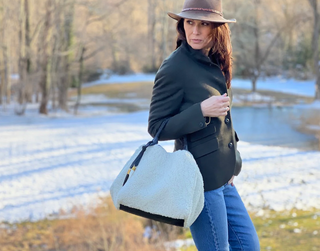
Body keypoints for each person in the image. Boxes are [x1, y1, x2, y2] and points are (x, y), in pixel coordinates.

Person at [147, 0, 260, 250]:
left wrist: (233, 162)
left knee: (249, 246)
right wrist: (200, 111)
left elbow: (224, 121)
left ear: (216, 29)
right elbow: (157, 127)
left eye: (203, 24)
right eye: (190, 23)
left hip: (223, 177)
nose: (195, 31)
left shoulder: (215, 61)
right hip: (198, 180)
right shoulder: (174, 68)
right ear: (182, 25)